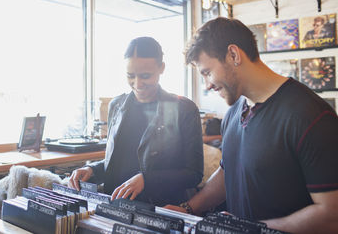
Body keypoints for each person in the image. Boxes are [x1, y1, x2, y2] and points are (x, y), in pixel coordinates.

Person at [164, 17, 338, 234]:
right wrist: (188, 209)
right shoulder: (234, 113)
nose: (207, 85)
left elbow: (332, 215)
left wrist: (252, 229)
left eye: (207, 72)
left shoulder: (310, 116)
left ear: (234, 55)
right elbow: (229, 172)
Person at [69, 37, 204, 206]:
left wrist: (147, 180)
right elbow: (119, 163)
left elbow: (194, 174)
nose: (137, 84)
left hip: (160, 207)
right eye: (130, 76)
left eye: (145, 76)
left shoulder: (184, 109)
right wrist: (91, 170)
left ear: (161, 68)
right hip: (116, 207)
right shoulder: (116, 105)